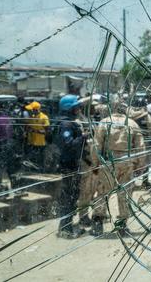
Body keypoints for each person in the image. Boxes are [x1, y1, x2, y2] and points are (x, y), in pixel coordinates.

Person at [90, 100, 146, 237]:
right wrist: (140, 165)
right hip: (127, 162)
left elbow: (96, 145)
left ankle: (98, 221)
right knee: (125, 194)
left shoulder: (104, 122)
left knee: (103, 192)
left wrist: (95, 163)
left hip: (109, 162)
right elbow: (141, 146)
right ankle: (122, 225)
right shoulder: (132, 124)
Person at [56, 95, 88, 239]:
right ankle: (65, 228)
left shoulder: (69, 123)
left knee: (72, 196)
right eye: (76, 106)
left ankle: (67, 226)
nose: (78, 109)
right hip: (68, 166)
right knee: (68, 197)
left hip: (72, 164)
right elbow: (68, 145)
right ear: (69, 108)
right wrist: (84, 137)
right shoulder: (66, 125)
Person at [0, 103, 18, 193]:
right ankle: (15, 187)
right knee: (10, 167)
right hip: (10, 145)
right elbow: (12, 132)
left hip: (0, 146)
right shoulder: (8, 119)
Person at [25, 101, 50, 171]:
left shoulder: (44, 117)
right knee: (32, 160)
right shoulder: (32, 117)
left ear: (36, 109)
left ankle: (41, 171)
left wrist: (35, 131)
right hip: (31, 142)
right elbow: (28, 127)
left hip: (40, 143)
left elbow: (47, 131)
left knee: (40, 159)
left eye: (32, 109)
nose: (30, 111)